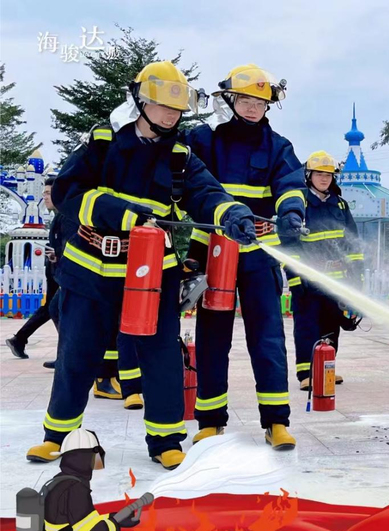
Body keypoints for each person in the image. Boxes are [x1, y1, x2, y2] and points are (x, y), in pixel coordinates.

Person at [26, 61, 257, 470]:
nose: (171, 116)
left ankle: (165, 439)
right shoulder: (103, 141)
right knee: (77, 354)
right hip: (90, 266)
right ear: (140, 102)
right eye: (163, 106)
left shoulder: (180, 155)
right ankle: (56, 436)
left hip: (151, 272)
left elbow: (207, 194)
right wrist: (122, 213)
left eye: (177, 110)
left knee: (161, 356)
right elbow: (67, 193)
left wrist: (232, 213)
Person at [183, 64, 305, 450]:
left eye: (260, 102)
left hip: (258, 254)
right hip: (212, 250)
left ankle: (276, 421)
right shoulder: (203, 140)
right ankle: (210, 421)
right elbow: (188, 187)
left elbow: (290, 185)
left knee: (268, 339)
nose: (253, 108)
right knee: (212, 339)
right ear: (230, 100)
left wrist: (291, 213)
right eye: (246, 100)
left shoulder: (278, 147)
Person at [286, 151, 364, 391]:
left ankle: (325, 369)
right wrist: (296, 278)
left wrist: (357, 276)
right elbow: (288, 245)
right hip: (308, 280)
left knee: (331, 325)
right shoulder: (299, 203)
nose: (324, 178)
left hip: (336, 280)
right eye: (319, 173)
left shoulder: (339, 205)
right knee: (307, 326)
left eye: (328, 175)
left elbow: (352, 243)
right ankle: (306, 374)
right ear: (308, 175)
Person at [34, 429, 140, 531]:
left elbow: (77, 521)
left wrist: (113, 517)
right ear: (86, 457)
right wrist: (114, 525)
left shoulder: (58, 482)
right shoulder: (75, 489)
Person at [6, 178, 64, 366]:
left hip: (63, 270)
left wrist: (58, 254)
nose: (45, 197)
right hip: (54, 269)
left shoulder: (67, 216)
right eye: (44, 193)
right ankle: (21, 339)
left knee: (55, 308)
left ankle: (21, 339)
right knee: (53, 308)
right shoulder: (58, 216)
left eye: (48, 193)